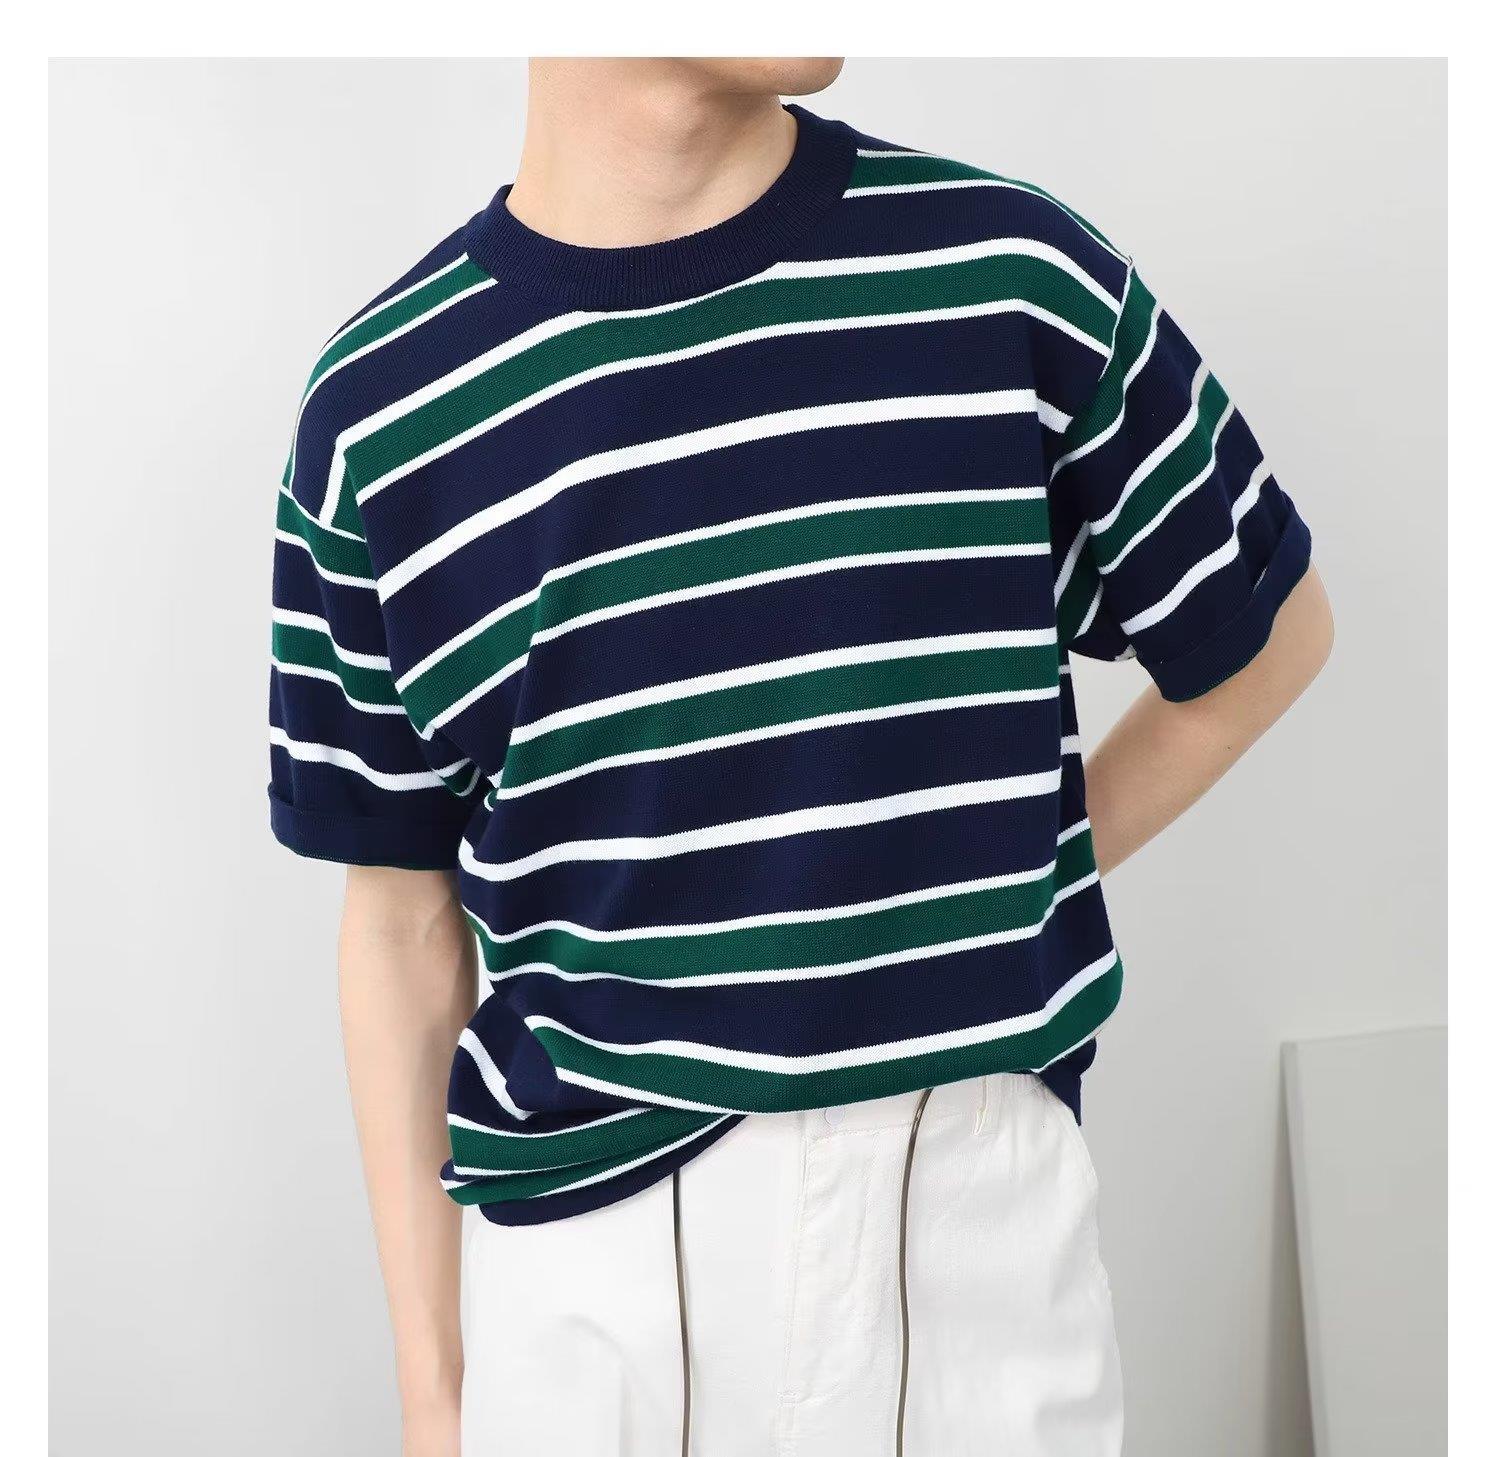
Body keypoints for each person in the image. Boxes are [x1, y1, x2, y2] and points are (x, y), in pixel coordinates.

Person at [268, 56, 1333, 1457]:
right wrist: (433, 1388)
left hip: (971, 1239)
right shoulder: (383, 408)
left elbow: (1261, 637)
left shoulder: (1000, 276)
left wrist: (1004, 866)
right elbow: (400, 916)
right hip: (590, 1291)